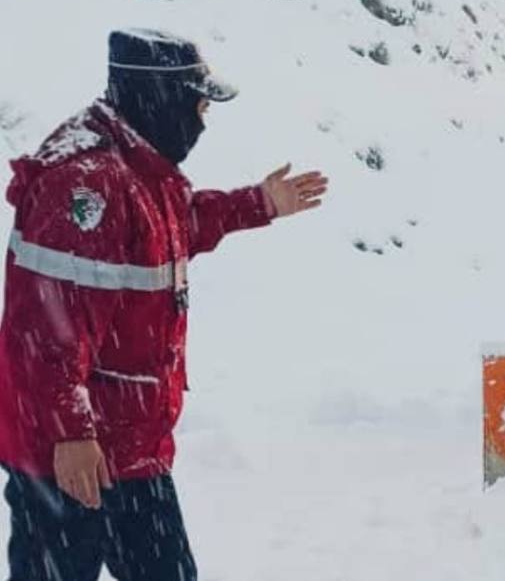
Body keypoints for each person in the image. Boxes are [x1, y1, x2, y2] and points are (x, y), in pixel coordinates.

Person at [0, 29, 329, 580]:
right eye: (197, 104)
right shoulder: (89, 184)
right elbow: (47, 323)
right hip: (73, 455)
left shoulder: (136, 169)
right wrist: (70, 433)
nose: (202, 118)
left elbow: (168, 230)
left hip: (125, 444)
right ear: (160, 99)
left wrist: (259, 204)